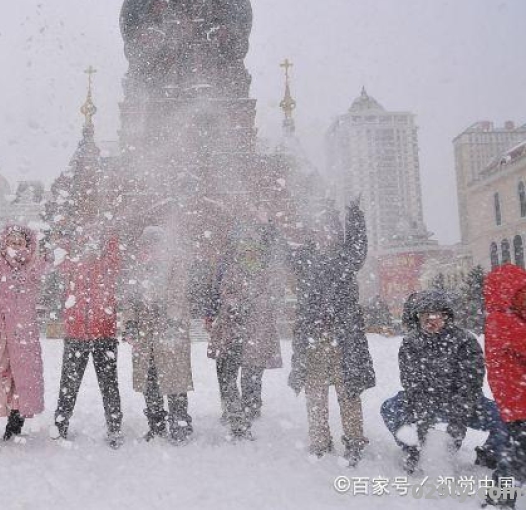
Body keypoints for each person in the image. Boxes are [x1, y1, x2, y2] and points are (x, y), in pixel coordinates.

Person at [380, 290, 510, 475]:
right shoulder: (410, 343)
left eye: (435, 315)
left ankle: (489, 454)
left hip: (463, 403)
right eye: (424, 315)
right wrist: (423, 432)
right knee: (390, 408)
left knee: (505, 417)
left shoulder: (465, 341)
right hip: (425, 401)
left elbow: (470, 387)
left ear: (446, 316)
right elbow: (412, 386)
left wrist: (456, 426)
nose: (429, 320)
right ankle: (412, 449)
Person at [287, 199, 375, 466]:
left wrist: (354, 215)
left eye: (330, 228)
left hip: (343, 338)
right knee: (315, 395)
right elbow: (281, 251)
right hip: (313, 340)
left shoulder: (345, 258)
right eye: (320, 228)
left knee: (348, 392)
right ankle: (320, 442)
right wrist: (268, 226)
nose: (325, 233)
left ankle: (354, 440)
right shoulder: (305, 258)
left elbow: (358, 246)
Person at [0, 225, 48, 442]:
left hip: (22, 334)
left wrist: (46, 257)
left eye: (20, 241)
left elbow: (41, 270)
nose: (16, 244)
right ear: (5, 243)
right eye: (11, 240)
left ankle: (15, 421)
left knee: (20, 378)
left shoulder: (31, 268)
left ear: (27, 245)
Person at [207, 222, 284, 440]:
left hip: (258, 332)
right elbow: (224, 292)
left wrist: (254, 303)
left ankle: (251, 408)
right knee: (227, 373)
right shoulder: (232, 270)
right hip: (233, 330)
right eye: (245, 249)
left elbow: (274, 295)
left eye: (252, 249)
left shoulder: (267, 272)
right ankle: (234, 411)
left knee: (252, 373)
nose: (248, 252)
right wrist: (234, 304)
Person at [50, 230, 124, 448]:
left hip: (104, 334)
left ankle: (114, 427)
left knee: (109, 384)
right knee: (69, 385)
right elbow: (59, 258)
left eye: (93, 244)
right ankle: (60, 425)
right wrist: (69, 236)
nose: (89, 249)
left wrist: (107, 229)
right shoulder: (72, 266)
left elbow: (115, 253)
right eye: (85, 245)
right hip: (76, 334)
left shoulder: (108, 265)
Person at [123, 225, 194, 445]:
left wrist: (168, 314)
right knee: (149, 381)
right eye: (148, 243)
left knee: (175, 380)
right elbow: (129, 298)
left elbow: (178, 292)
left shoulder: (175, 265)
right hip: (145, 334)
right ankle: (156, 423)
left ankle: (180, 423)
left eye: (156, 242)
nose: (151, 247)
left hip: (169, 329)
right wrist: (129, 324)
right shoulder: (137, 268)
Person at [482, 264, 526, 508]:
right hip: (519, 402)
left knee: (517, 451)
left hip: (518, 400)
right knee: (518, 455)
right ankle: (498, 498)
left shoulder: (509, 319)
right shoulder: (503, 321)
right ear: (509, 294)